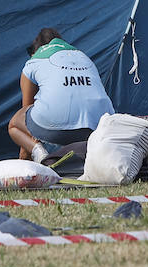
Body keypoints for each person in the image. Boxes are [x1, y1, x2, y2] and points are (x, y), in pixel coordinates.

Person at [7, 27, 114, 164]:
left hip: (56, 130)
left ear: (35, 51)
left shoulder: (33, 62)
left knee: (15, 123)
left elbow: (27, 120)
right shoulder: (83, 57)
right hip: (100, 128)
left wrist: (25, 157)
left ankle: (40, 155)